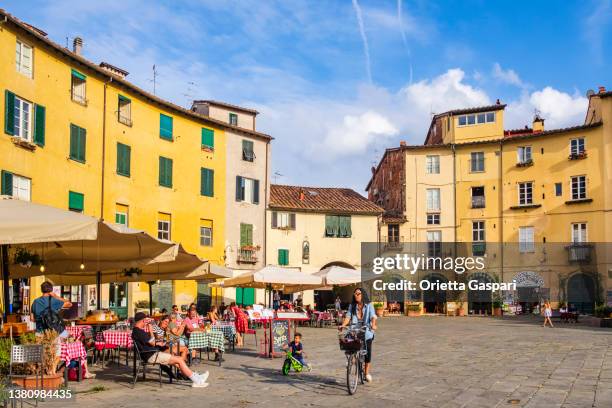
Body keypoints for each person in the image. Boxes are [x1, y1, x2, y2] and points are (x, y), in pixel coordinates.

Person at [132, 312, 208, 387]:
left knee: (179, 359)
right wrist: (151, 331)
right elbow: (152, 342)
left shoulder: (137, 331)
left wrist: (159, 343)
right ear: (142, 320)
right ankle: (197, 380)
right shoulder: (138, 331)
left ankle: (197, 377)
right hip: (152, 355)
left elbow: (152, 343)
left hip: (153, 353)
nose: (146, 323)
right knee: (180, 360)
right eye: (145, 320)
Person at [340, 288, 377, 383]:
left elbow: (373, 316)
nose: (356, 295)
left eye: (358, 293)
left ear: (363, 294)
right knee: (346, 342)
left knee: (367, 349)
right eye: (355, 294)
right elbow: (348, 317)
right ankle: (352, 358)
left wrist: (373, 325)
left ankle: (366, 372)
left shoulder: (369, 305)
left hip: (366, 329)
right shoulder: (352, 306)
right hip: (354, 329)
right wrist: (343, 325)